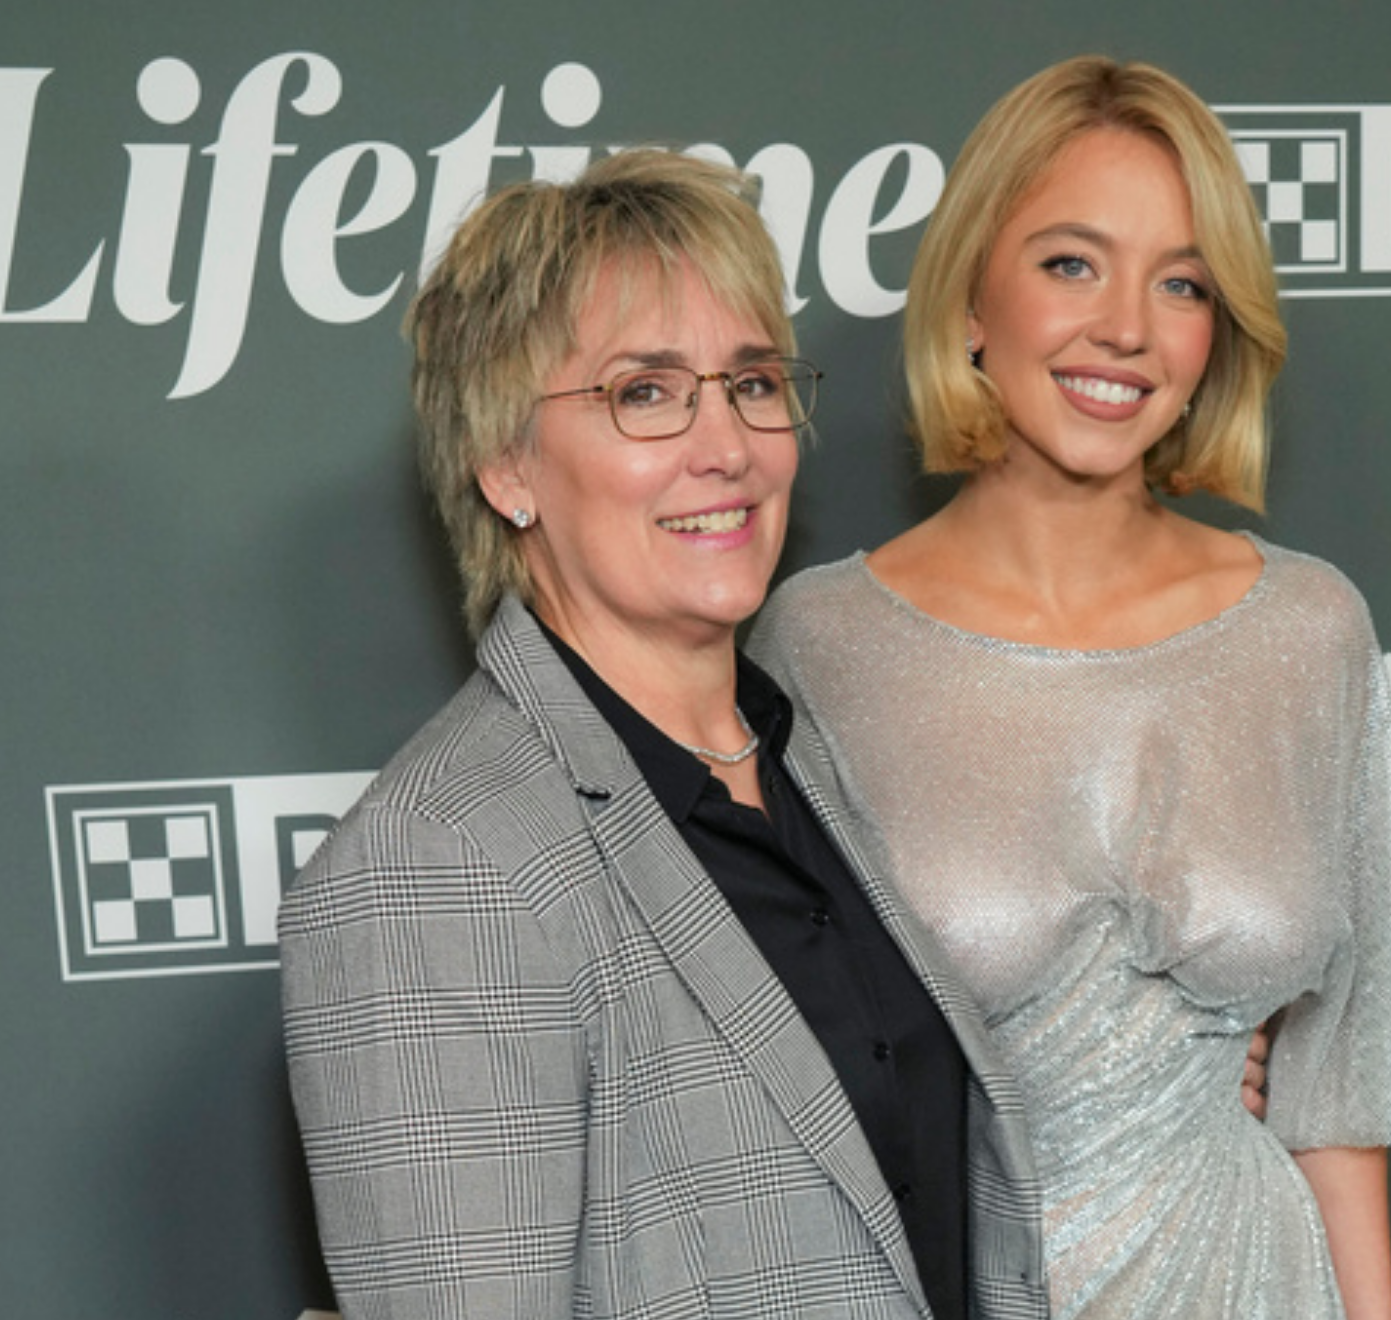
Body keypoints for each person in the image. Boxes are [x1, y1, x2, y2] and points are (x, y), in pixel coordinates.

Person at [277, 149, 1050, 1320]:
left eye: (751, 381)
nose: (727, 445)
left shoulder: (798, 757)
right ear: (507, 465)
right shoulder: (429, 867)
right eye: (645, 392)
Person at [749, 56, 1391, 1320]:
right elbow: (781, 1082)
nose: (1127, 327)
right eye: (1072, 263)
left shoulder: (1312, 630)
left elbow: (1344, 1100)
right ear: (970, 300)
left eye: (1183, 283)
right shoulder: (820, 645)